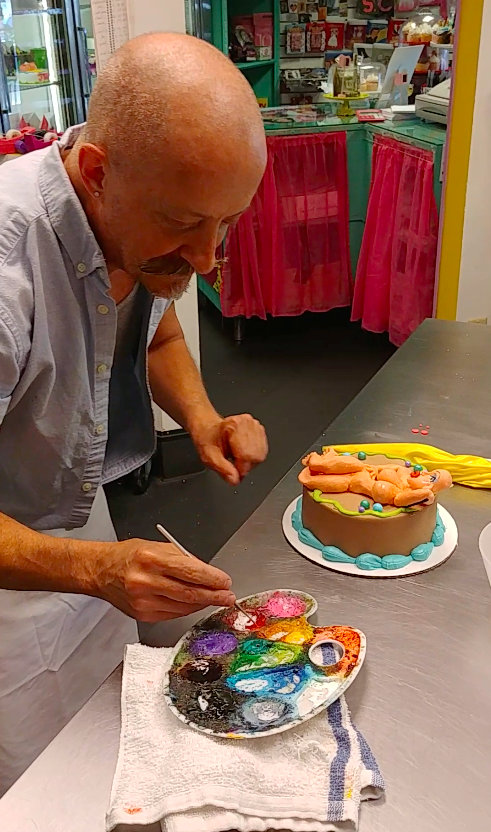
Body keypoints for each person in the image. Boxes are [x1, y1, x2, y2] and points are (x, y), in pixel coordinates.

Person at [0, 32, 268, 793]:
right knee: (43, 781)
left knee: (109, 728)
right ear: (95, 172)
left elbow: (158, 330)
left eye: (228, 223)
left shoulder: (136, 221)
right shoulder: (7, 270)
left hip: (74, 519)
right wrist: (91, 567)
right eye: (186, 223)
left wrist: (203, 416)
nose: (209, 259)